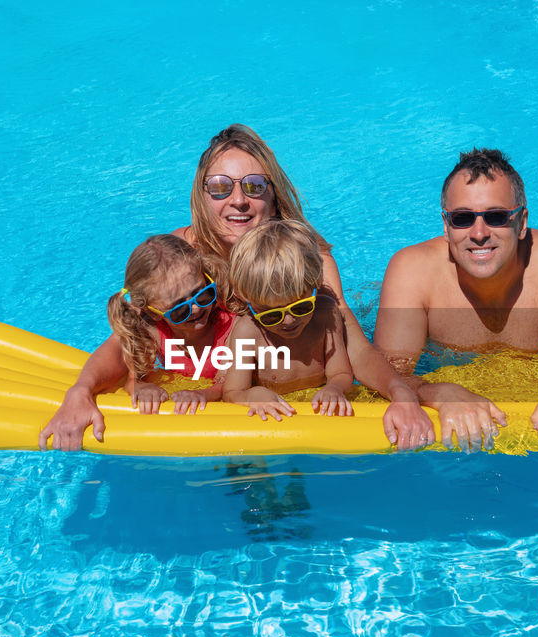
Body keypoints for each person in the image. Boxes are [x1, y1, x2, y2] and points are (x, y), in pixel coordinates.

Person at [40, 125, 434, 451]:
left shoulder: (309, 259)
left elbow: (352, 347)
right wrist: (82, 391)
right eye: (221, 187)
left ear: (273, 194)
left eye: (254, 186)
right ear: (202, 195)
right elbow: (128, 339)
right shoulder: (183, 257)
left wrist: (406, 392)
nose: (239, 201)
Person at [374, 148, 538, 450]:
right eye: (462, 218)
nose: (478, 233)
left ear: (522, 221)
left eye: (496, 216)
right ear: (446, 226)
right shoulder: (412, 270)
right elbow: (385, 377)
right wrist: (438, 392)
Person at [38, 235, 233, 450]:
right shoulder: (152, 330)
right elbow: (133, 375)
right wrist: (141, 386)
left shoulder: (230, 320)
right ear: (153, 311)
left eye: (203, 294)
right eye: (179, 309)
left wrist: (205, 393)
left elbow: (238, 377)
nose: (196, 308)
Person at [223, 220, 355, 420]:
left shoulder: (325, 314)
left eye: (301, 307)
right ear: (246, 299)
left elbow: (342, 373)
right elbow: (232, 392)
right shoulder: (247, 332)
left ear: (316, 284)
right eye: (271, 315)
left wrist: (335, 389)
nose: (288, 320)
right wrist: (252, 394)